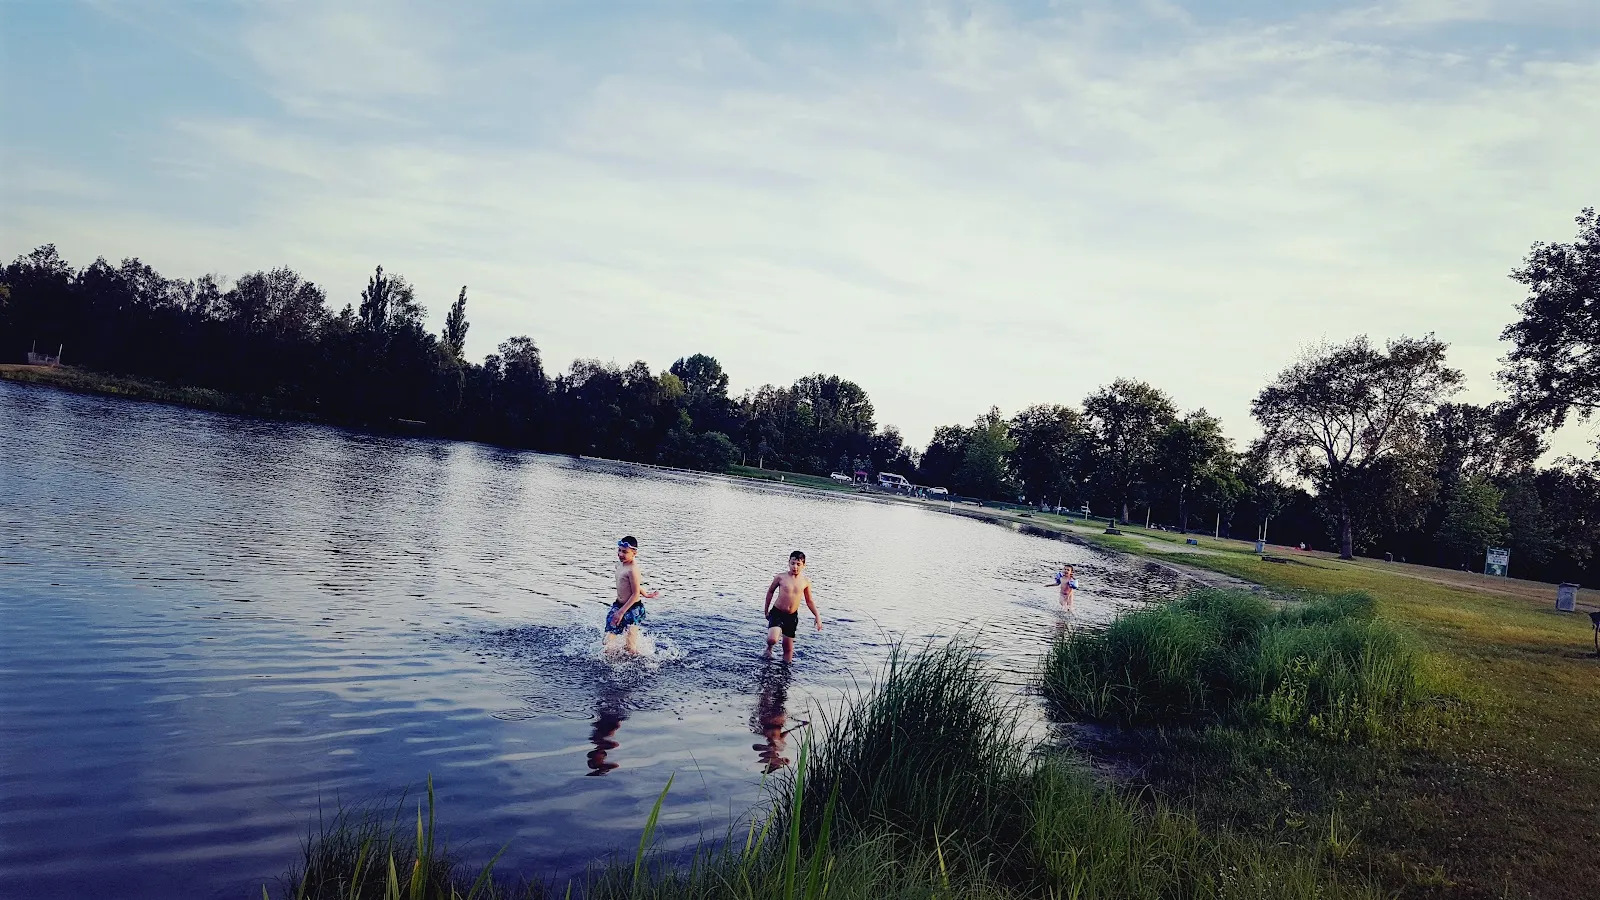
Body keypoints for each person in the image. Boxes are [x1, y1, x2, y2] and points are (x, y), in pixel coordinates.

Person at [764, 550, 821, 661]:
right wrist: (766, 610)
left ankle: (786, 669)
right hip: (777, 612)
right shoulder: (780, 577)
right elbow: (770, 592)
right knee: (772, 639)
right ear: (789, 563)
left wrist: (817, 616)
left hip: (791, 616)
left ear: (804, 565)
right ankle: (769, 647)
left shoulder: (805, 581)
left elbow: (809, 601)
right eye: (792, 563)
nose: (795, 567)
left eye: (798, 564)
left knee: (788, 649)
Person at [606, 536, 658, 654]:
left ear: (634, 553)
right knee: (607, 641)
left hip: (633, 608)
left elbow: (635, 594)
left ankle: (638, 661)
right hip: (618, 605)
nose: (620, 554)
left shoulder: (633, 570)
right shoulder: (619, 565)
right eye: (619, 550)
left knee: (630, 646)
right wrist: (646, 594)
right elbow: (634, 586)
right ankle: (611, 660)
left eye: (625, 552)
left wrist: (621, 612)